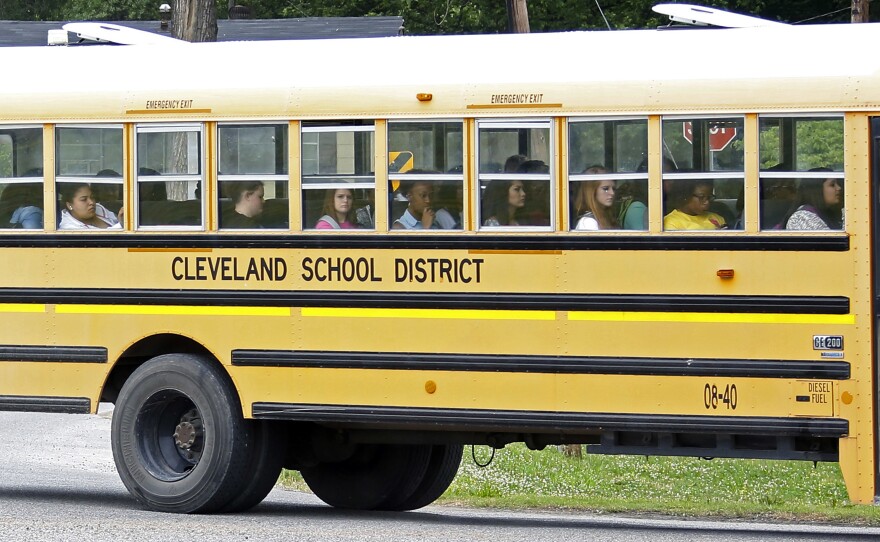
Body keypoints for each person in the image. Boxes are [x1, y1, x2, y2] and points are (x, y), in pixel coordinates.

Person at [572, 166, 618, 230]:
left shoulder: (605, 217)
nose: (612, 193)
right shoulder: (588, 223)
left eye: (613, 189)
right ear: (592, 191)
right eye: (606, 189)